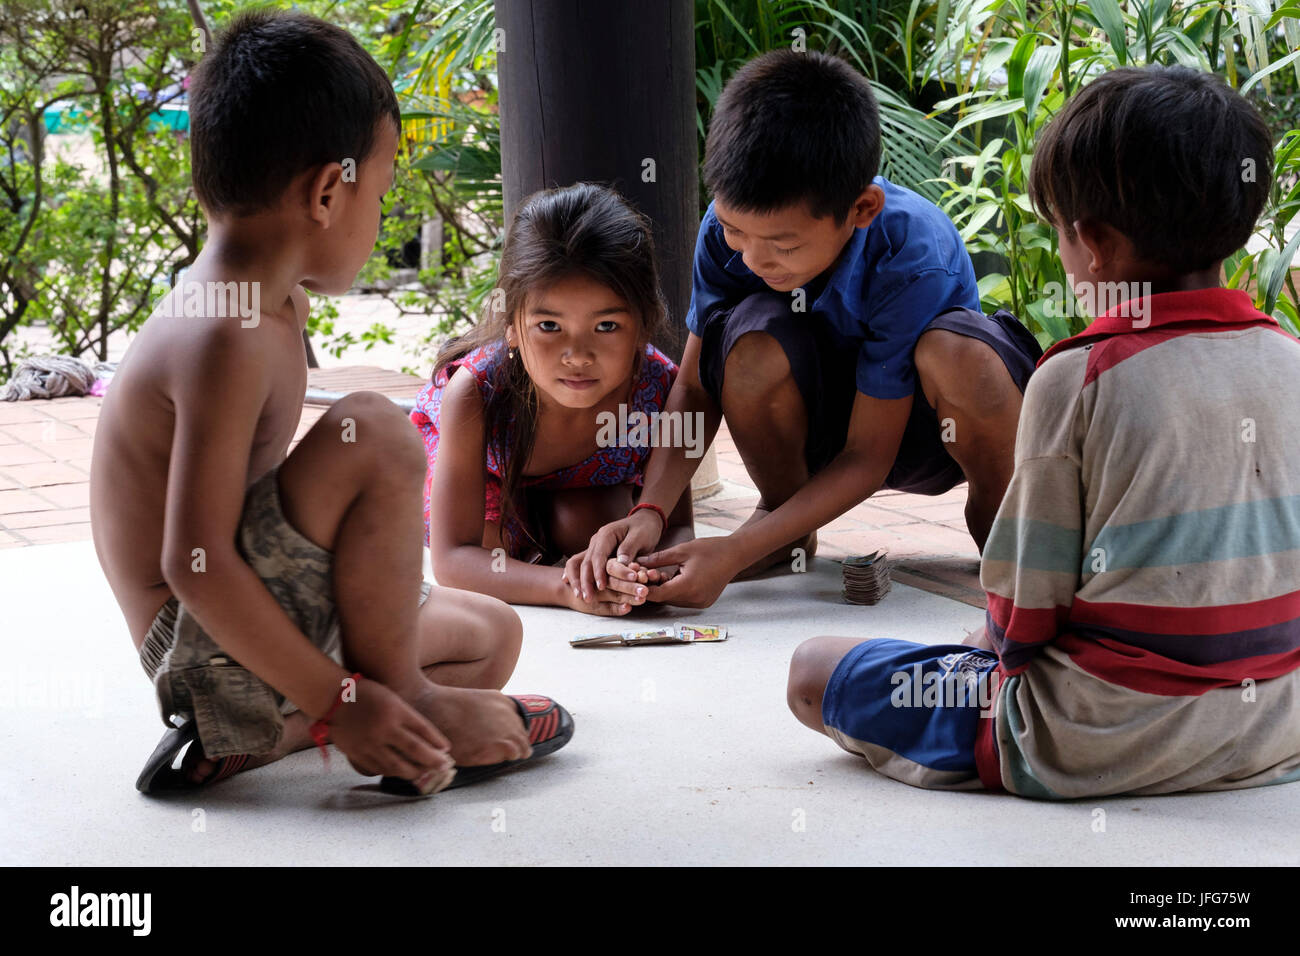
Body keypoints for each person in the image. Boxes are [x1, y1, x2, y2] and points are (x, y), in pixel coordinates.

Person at [89, 9, 571, 796]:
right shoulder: (224, 332)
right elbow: (193, 562)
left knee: (490, 635)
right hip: (197, 639)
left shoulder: (268, 305)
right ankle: (377, 704)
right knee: (375, 431)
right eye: (379, 195)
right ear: (325, 192)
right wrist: (347, 704)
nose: (378, 221)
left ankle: (263, 736)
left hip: (241, 620)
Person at [788, 65, 1300, 797]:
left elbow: (1026, 616)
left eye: (1057, 232)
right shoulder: (1290, 358)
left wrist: (989, 645)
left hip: (1085, 736)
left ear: (1091, 244)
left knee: (814, 669)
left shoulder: (1080, 376)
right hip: (1274, 729)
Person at [574, 49, 1041, 608]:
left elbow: (869, 455)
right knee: (749, 345)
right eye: (734, 232)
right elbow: (696, 388)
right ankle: (784, 524)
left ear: (862, 208)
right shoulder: (733, 230)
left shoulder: (912, 252)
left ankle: (1005, 533)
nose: (752, 259)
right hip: (817, 425)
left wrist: (734, 550)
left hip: (922, 434)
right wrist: (649, 510)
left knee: (959, 354)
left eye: (784, 245)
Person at [416, 183, 694, 616]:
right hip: (488, 486)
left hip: (583, 496)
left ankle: (558, 538)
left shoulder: (658, 390)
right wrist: (566, 587)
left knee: (593, 528)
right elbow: (453, 559)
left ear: (642, 327)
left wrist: (647, 574)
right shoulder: (476, 392)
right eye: (549, 325)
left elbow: (677, 526)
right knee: (494, 549)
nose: (578, 355)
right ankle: (540, 547)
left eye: (606, 327)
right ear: (511, 325)